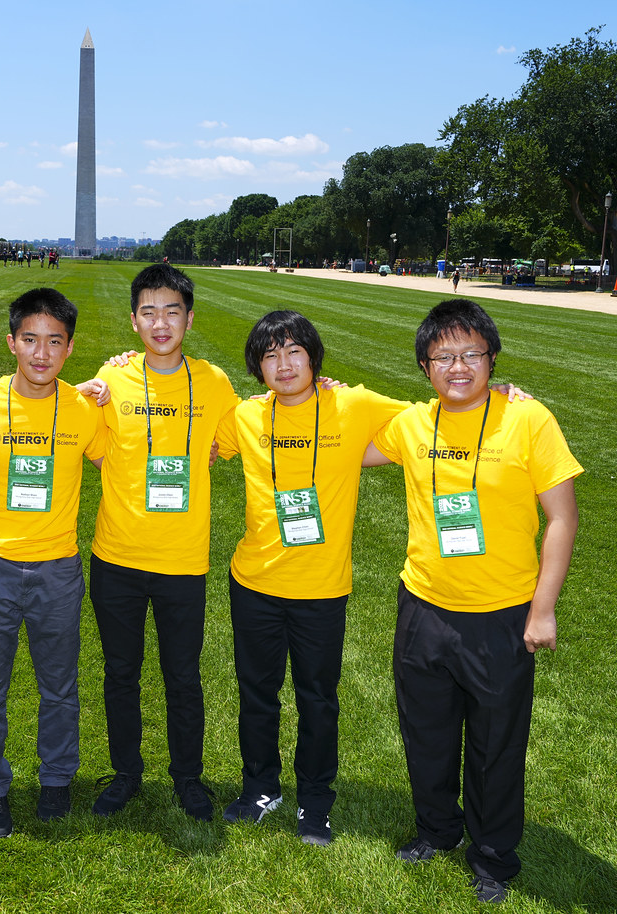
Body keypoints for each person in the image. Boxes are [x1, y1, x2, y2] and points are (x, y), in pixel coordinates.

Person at [367, 299, 581, 904]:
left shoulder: (528, 419)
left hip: (502, 615)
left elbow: (562, 519)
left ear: (492, 358)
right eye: (443, 356)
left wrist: (542, 608)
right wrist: (318, 390)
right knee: (427, 734)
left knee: (496, 745)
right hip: (424, 608)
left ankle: (492, 854)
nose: (458, 366)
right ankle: (437, 829)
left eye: (471, 354)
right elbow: (340, 446)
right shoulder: (411, 424)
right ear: (424, 365)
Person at [213, 311, 409, 844]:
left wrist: (500, 392)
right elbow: (184, 439)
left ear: (314, 357)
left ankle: (315, 800)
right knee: (256, 692)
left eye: (294, 351)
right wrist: (116, 374)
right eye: (270, 355)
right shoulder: (246, 417)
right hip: (253, 582)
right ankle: (260, 786)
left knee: (317, 698)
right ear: (257, 366)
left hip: (321, 589)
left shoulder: (353, 404)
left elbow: (434, 418)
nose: (283, 364)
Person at [0, 288, 108, 839]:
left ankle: (57, 779)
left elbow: (124, 456)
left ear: (70, 349)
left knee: (59, 686)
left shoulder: (85, 409)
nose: (41, 354)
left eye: (55, 342)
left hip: (57, 570)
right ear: (11, 342)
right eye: (30, 340)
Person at [89, 263, 239, 821]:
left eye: (171, 311)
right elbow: (89, 443)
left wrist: (323, 386)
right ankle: (125, 772)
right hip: (117, 557)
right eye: (148, 311)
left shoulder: (215, 382)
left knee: (183, 675)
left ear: (189, 318)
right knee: (120, 673)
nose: (160, 322)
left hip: (182, 559)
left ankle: (187, 777)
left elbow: (251, 427)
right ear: (133, 321)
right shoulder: (113, 378)